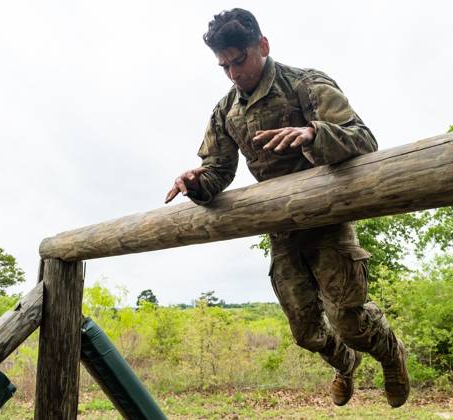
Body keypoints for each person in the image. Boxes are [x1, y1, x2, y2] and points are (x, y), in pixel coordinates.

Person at [165, 8, 409, 408]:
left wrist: (313, 134)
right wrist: (195, 185)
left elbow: (363, 139)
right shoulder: (226, 111)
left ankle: (389, 353)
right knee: (306, 332)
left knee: (348, 322)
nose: (232, 73)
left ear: (262, 45)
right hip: (282, 228)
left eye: (238, 60)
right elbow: (218, 172)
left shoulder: (305, 83)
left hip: (328, 218)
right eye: (223, 66)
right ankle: (345, 365)